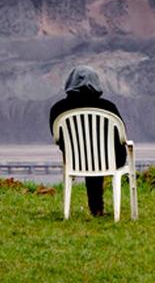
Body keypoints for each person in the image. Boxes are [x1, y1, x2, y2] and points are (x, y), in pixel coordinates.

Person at [49, 65, 127, 217]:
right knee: (98, 156)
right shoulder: (108, 107)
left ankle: (95, 208)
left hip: (75, 161)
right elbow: (121, 137)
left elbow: (58, 139)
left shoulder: (58, 109)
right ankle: (97, 209)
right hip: (109, 160)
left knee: (90, 156)